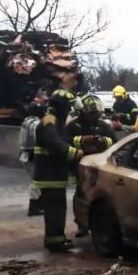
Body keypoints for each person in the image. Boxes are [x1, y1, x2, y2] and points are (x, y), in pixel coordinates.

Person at [33, 88, 84, 252]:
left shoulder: (54, 121)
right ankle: (55, 243)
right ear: (62, 107)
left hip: (53, 174)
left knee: (57, 209)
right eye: (68, 108)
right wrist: (75, 153)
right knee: (55, 209)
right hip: (50, 175)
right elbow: (56, 145)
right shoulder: (50, 122)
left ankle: (56, 239)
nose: (69, 111)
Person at [66, 94, 117, 237]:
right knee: (81, 194)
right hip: (80, 166)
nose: (95, 115)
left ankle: (99, 224)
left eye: (97, 112)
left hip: (100, 167)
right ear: (83, 112)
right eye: (92, 113)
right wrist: (83, 140)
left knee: (100, 195)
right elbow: (66, 141)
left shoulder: (103, 125)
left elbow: (114, 141)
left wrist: (103, 141)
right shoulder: (73, 125)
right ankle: (81, 224)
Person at [19, 91, 48, 216]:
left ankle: (38, 204)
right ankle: (34, 206)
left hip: (25, 154)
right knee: (37, 181)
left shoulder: (27, 121)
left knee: (36, 180)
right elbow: (40, 139)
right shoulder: (36, 124)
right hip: (32, 154)